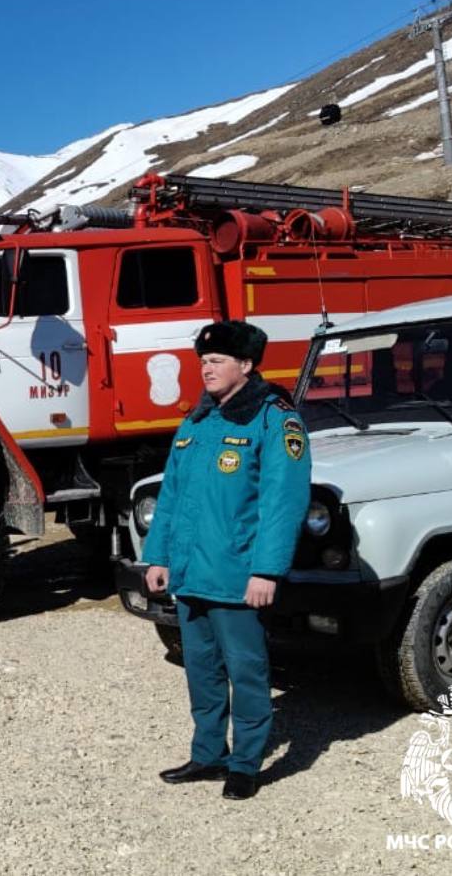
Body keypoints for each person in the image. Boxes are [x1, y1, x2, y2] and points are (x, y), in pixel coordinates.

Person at [141, 320, 310, 801]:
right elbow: (171, 495)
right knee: (201, 670)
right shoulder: (197, 422)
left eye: (216, 361)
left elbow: (284, 501)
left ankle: (245, 764)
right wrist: (158, 556)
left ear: (247, 364)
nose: (206, 369)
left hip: (238, 577)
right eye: (202, 361)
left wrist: (267, 570)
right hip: (192, 574)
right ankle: (208, 753)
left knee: (248, 671)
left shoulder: (275, 420)